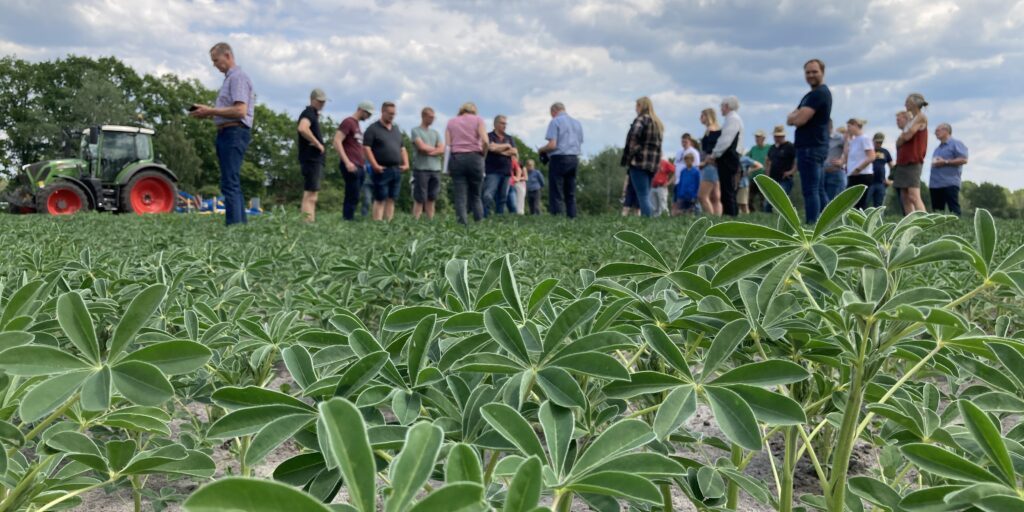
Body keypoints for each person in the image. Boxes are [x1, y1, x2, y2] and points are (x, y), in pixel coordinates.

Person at [189, 42, 255, 226]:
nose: (214, 65)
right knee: (231, 180)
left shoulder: (238, 78)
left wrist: (210, 111)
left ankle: (234, 228)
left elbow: (240, 110)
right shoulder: (230, 79)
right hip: (229, 131)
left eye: (216, 60)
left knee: (230, 182)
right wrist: (209, 113)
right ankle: (240, 226)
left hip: (234, 131)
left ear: (227, 56)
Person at [786, 58, 832, 224]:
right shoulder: (810, 95)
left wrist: (795, 117)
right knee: (818, 189)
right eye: (808, 72)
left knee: (811, 189)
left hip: (811, 147)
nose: (811, 75)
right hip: (812, 146)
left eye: (814, 71)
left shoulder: (819, 94)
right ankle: (828, 222)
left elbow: (799, 120)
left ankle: (813, 224)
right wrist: (794, 116)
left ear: (822, 72)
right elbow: (790, 117)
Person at [363, 102, 410, 222]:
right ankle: (377, 223)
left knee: (392, 198)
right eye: (389, 113)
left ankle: (389, 223)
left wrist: (406, 163)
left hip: (396, 169)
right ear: (383, 112)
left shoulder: (396, 130)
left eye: (394, 114)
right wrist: (374, 165)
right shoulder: (373, 129)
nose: (392, 116)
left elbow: (402, 148)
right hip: (381, 169)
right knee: (380, 198)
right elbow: (366, 148)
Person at [620, 96, 664, 218]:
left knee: (642, 195)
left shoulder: (641, 119)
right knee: (646, 193)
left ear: (641, 106)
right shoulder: (657, 123)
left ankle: (647, 220)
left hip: (639, 162)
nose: (635, 109)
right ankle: (649, 218)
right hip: (653, 164)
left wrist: (633, 152)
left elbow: (634, 136)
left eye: (636, 106)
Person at [538, 102, 584, 218]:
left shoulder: (555, 121)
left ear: (554, 111)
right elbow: (580, 142)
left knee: (556, 191)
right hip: (574, 158)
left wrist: (541, 149)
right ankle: (572, 217)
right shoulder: (577, 123)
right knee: (570, 191)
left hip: (559, 159)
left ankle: (557, 218)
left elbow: (552, 145)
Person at [446, 102, 489, 224]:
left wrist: (446, 167)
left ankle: (462, 226)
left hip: (457, 159)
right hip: (475, 158)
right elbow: (485, 141)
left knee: (460, 196)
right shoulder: (478, 120)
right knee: (476, 195)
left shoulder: (451, 122)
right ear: (474, 111)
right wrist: (483, 155)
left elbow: (448, 146)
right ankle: (479, 224)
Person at [706, 96, 744, 217]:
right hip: (730, 156)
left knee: (727, 189)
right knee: (727, 188)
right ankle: (731, 214)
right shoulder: (732, 118)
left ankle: (730, 215)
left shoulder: (732, 119)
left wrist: (714, 154)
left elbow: (725, 140)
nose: (721, 109)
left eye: (722, 106)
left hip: (728, 157)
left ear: (727, 106)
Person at [893, 93, 929, 214]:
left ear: (914, 103)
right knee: (904, 196)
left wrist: (902, 137)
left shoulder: (921, 117)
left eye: (907, 102)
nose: (905, 105)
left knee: (913, 195)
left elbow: (908, 136)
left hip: (913, 160)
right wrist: (902, 137)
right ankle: (910, 223)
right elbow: (900, 140)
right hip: (903, 161)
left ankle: (925, 222)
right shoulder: (912, 119)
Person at [296, 88, 327, 222]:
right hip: (311, 158)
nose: (322, 104)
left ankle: (309, 221)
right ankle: (307, 223)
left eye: (323, 102)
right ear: (312, 99)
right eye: (319, 101)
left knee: (312, 193)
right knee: (310, 194)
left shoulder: (313, 114)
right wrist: (317, 143)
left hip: (313, 159)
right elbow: (302, 128)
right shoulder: (308, 112)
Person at [410, 107, 445, 220]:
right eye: (430, 117)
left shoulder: (435, 132)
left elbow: (442, 149)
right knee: (420, 198)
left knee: (432, 197)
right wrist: (435, 149)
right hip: (421, 169)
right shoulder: (416, 131)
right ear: (423, 116)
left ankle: (430, 221)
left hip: (435, 169)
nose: (432, 119)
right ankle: (416, 220)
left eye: (433, 117)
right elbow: (421, 147)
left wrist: (431, 150)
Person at [929, 123, 969, 216]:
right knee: (937, 212)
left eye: (938, 130)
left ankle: (957, 227)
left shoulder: (956, 144)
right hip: (935, 184)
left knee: (953, 209)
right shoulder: (937, 148)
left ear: (946, 131)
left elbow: (964, 159)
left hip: (949, 183)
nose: (935, 133)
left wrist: (945, 162)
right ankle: (937, 229)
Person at [482, 115, 517, 216]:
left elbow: (514, 151)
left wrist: (498, 150)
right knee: (488, 195)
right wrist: (506, 146)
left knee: (502, 198)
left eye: (505, 123)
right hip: (492, 171)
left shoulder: (509, 138)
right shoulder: (489, 136)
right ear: (495, 124)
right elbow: (490, 147)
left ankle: (499, 219)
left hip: (506, 172)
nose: (504, 125)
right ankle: (484, 217)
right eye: (502, 123)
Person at [844, 118, 876, 209]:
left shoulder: (864, 139)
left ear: (856, 125)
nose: (848, 129)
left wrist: (858, 169)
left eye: (849, 126)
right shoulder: (854, 140)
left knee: (860, 202)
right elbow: (847, 154)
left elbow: (871, 156)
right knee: (852, 202)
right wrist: (847, 140)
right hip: (853, 175)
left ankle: (862, 221)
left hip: (862, 174)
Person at [765, 125, 797, 212]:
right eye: (775, 136)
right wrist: (767, 175)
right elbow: (768, 162)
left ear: (783, 136)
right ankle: (767, 215)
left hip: (785, 179)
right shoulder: (772, 148)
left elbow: (796, 161)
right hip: (773, 178)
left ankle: (786, 215)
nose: (777, 138)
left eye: (779, 136)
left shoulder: (790, 146)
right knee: (768, 200)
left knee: (781, 197)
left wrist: (791, 172)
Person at [698, 109, 723, 216]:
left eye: (702, 116)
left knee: (702, 196)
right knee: (715, 197)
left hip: (709, 166)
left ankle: (710, 217)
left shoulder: (711, 130)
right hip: (716, 166)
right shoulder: (717, 129)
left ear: (707, 116)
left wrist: (704, 162)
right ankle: (718, 218)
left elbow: (711, 150)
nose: (700, 118)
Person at [823, 119, 847, 205]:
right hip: (822, 173)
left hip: (834, 173)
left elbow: (849, 151)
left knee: (833, 203)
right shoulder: (820, 138)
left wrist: (842, 161)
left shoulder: (840, 138)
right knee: (823, 202)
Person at [746, 129, 771, 212]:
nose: (756, 139)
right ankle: (753, 214)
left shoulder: (769, 148)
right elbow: (747, 160)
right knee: (749, 198)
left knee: (763, 199)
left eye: (758, 137)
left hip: (764, 178)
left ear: (763, 138)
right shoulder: (753, 149)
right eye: (756, 137)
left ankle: (764, 215)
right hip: (753, 178)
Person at [869, 132, 893, 208]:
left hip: (881, 183)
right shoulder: (868, 151)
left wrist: (891, 180)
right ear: (873, 141)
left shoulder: (885, 152)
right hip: (868, 182)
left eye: (880, 142)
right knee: (864, 204)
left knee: (879, 207)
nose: (879, 144)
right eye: (877, 142)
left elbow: (892, 167)